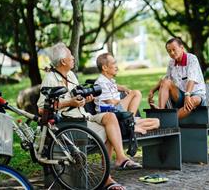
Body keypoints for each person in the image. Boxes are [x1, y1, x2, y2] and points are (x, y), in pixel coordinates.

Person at [36, 43, 139, 190]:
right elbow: (41, 109)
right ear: (63, 61)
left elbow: (77, 99)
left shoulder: (71, 75)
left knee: (110, 117)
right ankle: (107, 178)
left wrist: (85, 100)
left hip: (83, 117)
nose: (73, 57)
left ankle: (120, 158)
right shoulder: (50, 79)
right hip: (68, 123)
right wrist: (69, 103)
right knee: (110, 133)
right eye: (70, 55)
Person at [95, 53, 160, 134]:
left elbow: (115, 86)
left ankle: (131, 124)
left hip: (119, 113)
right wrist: (127, 99)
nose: (116, 66)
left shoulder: (109, 81)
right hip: (111, 113)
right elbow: (110, 102)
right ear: (104, 67)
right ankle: (130, 123)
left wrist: (124, 88)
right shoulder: (100, 82)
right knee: (136, 93)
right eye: (113, 63)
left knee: (156, 122)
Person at [148, 37, 206, 119]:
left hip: (196, 94)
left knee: (192, 100)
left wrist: (187, 95)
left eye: (174, 49)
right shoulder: (171, 62)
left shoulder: (192, 59)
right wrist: (152, 90)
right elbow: (165, 79)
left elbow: (192, 79)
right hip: (180, 95)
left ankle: (167, 120)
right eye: (169, 51)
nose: (172, 53)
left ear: (182, 48)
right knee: (166, 82)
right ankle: (161, 112)